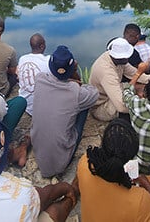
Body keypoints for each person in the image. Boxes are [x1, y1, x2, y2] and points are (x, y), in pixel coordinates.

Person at [31, 45, 99, 178]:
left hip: (39, 154)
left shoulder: (39, 79)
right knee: (83, 106)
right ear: (72, 66)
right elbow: (94, 93)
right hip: (61, 161)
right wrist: (74, 73)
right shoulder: (76, 92)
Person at [90, 38, 150, 121]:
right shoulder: (106, 72)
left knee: (141, 87)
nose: (128, 59)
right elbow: (121, 106)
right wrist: (147, 107)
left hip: (111, 93)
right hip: (101, 106)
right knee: (131, 103)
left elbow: (134, 73)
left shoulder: (118, 60)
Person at [17, 33, 49, 116]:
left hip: (25, 105)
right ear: (42, 46)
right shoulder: (47, 61)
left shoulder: (22, 59)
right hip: (42, 107)